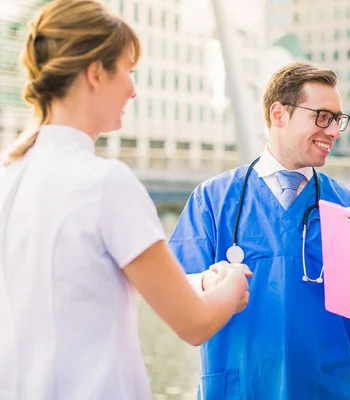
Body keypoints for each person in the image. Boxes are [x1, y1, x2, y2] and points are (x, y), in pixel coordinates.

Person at [0, 1, 250, 399]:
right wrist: (233, 282)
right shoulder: (105, 183)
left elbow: (91, 282)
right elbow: (194, 323)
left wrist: (202, 280)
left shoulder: (10, 178)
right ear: (96, 72)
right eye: (128, 71)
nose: (133, 90)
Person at [168, 61, 350, 400]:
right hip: (240, 388)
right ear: (279, 114)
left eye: (338, 120)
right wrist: (208, 280)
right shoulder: (213, 199)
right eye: (322, 117)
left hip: (324, 388)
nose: (335, 131)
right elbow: (174, 290)